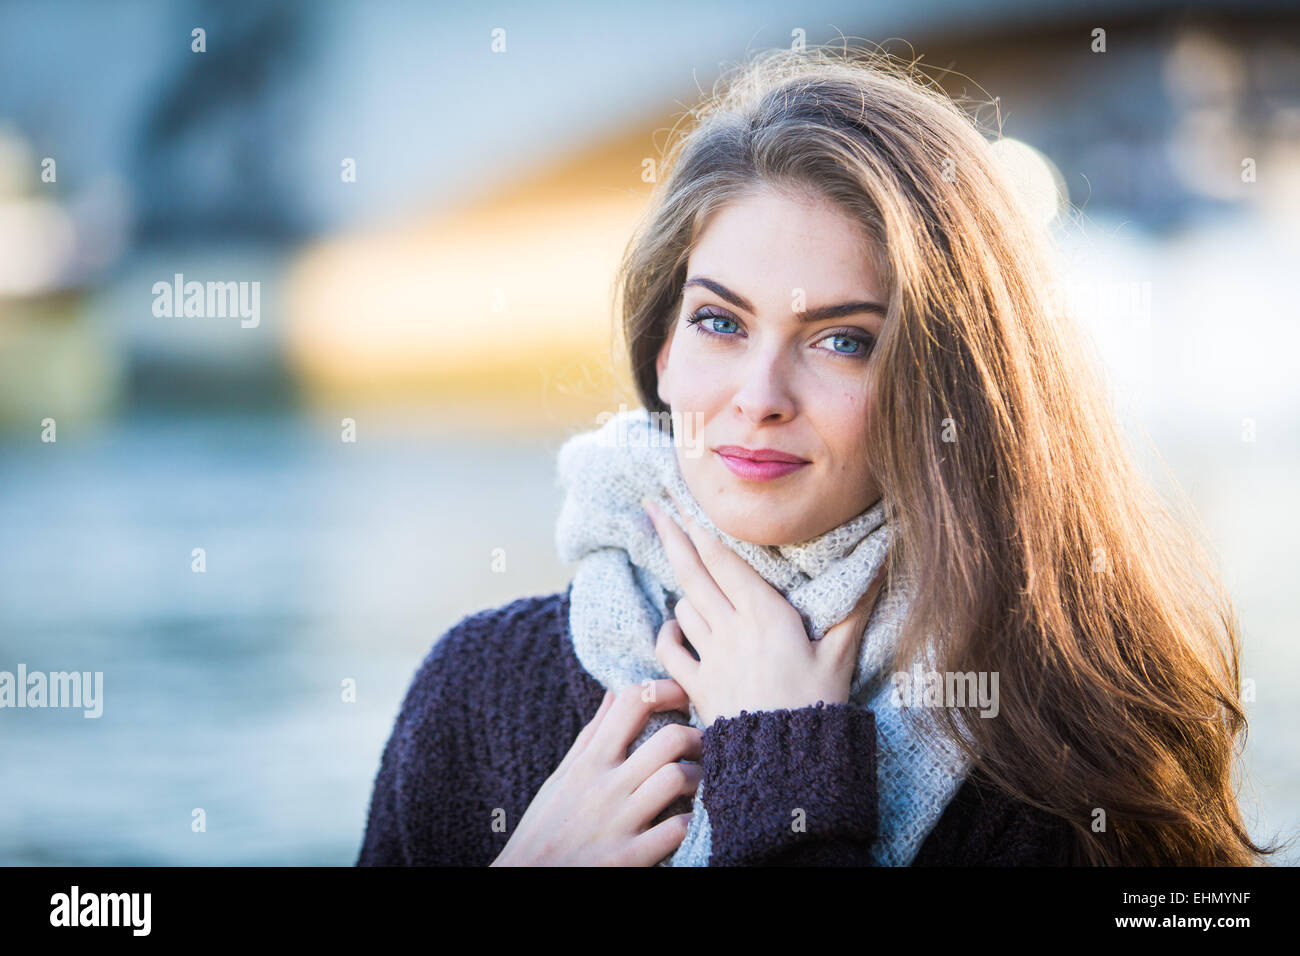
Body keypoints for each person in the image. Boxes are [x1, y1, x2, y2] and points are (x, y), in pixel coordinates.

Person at [357, 45, 1278, 867]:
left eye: (842, 340)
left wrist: (784, 767)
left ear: (947, 385)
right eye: (719, 322)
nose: (759, 396)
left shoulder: (1076, 740)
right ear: (663, 351)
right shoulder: (475, 688)